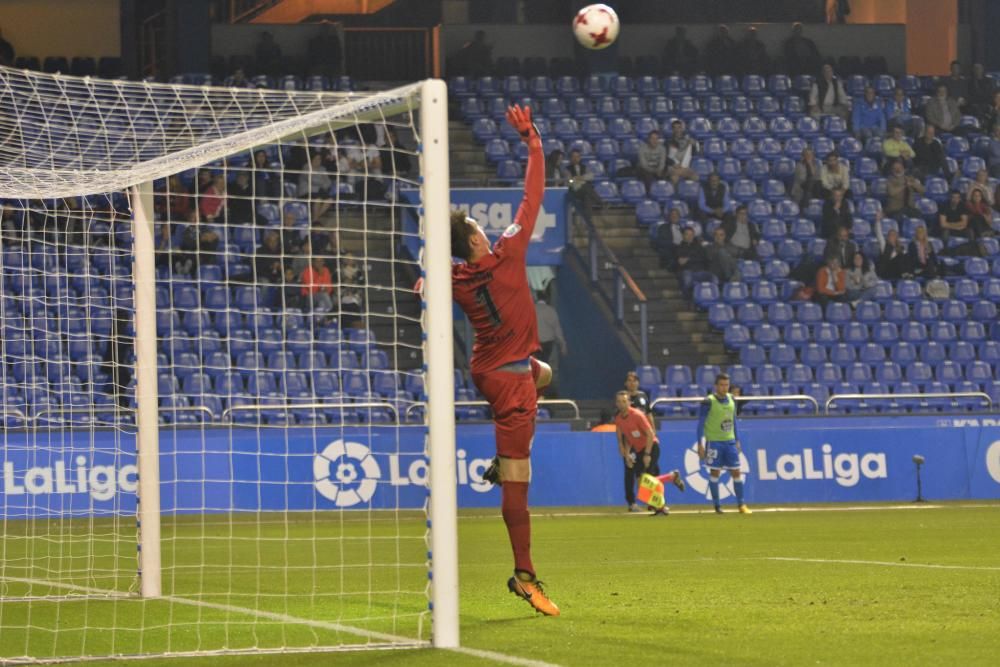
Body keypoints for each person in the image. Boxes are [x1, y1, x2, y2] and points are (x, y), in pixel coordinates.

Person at [449, 104, 559, 616]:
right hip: (510, 382)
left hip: (491, 370)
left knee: (547, 373)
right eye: (477, 227)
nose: (485, 231)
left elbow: (428, 281)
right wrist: (532, 140)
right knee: (519, 478)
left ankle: (502, 458)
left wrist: (426, 282)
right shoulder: (510, 251)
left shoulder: (456, 278)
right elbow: (532, 195)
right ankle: (525, 575)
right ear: (476, 239)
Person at [614, 390, 684, 515]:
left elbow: (651, 434)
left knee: (648, 479)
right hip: (639, 449)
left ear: (629, 402)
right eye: (619, 401)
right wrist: (628, 454)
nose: (622, 404)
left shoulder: (637, 415)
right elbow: (628, 438)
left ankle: (660, 507)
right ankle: (671, 477)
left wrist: (647, 454)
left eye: (624, 401)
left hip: (651, 446)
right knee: (642, 481)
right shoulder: (619, 419)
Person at [696, 374, 750, 514]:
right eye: (721, 385)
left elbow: (734, 421)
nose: (724, 388)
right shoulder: (708, 401)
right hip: (714, 442)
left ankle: (741, 505)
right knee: (715, 473)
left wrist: (737, 439)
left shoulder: (732, 399)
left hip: (730, 441)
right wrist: (700, 444)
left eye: (726, 385)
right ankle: (717, 506)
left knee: (736, 472)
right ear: (716, 386)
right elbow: (700, 424)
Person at [534, 289, 567, 394]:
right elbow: (557, 329)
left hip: (534, 346)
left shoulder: (531, 310)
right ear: (547, 298)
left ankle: (536, 392)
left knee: (535, 371)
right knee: (550, 370)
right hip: (549, 345)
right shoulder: (551, 311)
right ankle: (550, 394)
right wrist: (563, 345)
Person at [565, 148, 602, 217]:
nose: (576, 158)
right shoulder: (567, 169)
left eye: (577, 157)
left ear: (580, 158)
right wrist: (576, 180)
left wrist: (581, 178)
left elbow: (591, 176)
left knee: (587, 197)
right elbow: (569, 181)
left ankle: (588, 219)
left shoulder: (584, 167)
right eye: (574, 157)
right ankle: (601, 203)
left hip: (583, 190)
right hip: (574, 189)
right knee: (586, 187)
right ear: (571, 158)